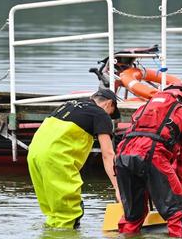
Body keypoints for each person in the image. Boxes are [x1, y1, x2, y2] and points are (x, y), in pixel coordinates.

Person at [27, 88, 120, 228]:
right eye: (111, 113)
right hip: (57, 158)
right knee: (69, 214)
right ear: (109, 104)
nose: (109, 117)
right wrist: (118, 186)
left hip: (34, 154)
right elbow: (108, 154)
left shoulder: (68, 105)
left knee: (53, 211)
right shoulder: (100, 114)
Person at [114, 83, 182, 238]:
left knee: (133, 215)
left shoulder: (143, 108)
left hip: (122, 156)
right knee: (177, 209)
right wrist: (181, 181)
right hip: (152, 155)